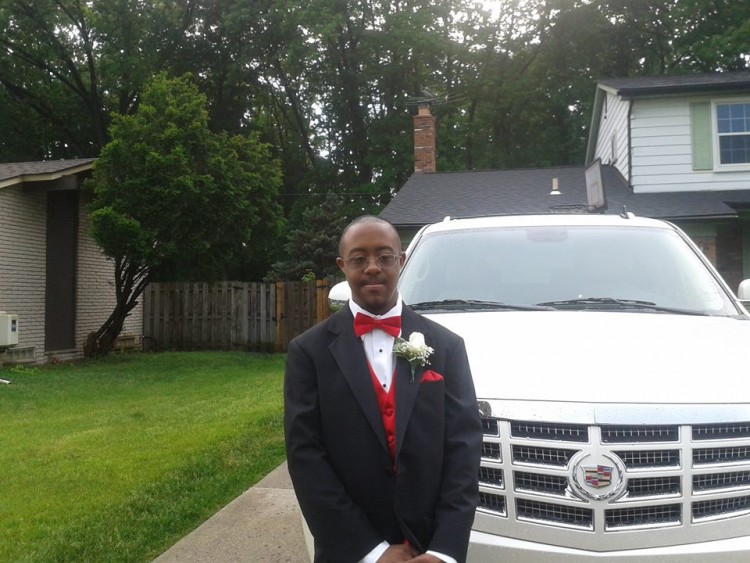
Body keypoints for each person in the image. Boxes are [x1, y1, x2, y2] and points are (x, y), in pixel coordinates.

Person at [284, 215, 482, 563]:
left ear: (401, 261)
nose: (372, 267)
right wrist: (370, 552)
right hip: (349, 550)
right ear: (342, 266)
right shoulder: (308, 353)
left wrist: (444, 550)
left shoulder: (447, 346)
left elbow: (463, 450)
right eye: (359, 258)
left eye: (385, 256)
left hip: (429, 544)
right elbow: (306, 459)